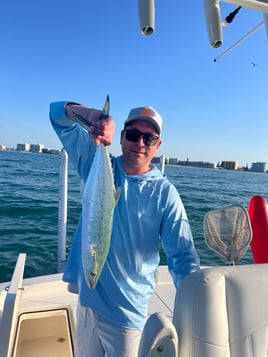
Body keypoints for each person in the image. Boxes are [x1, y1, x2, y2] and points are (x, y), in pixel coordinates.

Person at [49, 99, 200, 357]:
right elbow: (56, 114)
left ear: (158, 145)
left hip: (127, 317)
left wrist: (198, 305)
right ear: (121, 137)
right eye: (132, 135)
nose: (140, 143)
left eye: (149, 138)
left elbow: (182, 256)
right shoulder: (93, 161)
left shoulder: (165, 194)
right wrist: (93, 117)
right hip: (87, 304)